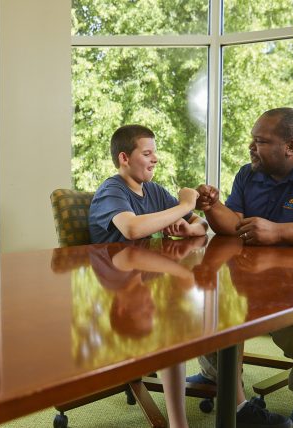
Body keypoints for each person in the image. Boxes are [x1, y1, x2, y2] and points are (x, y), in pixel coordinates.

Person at [89, 124, 208, 428]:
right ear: (124, 158)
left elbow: (199, 226)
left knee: (195, 316)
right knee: (171, 336)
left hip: (146, 271)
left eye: (155, 152)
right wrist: (183, 205)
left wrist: (188, 226)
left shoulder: (153, 190)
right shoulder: (111, 190)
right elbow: (132, 228)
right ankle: (178, 424)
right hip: (109, 283)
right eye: (147, 152)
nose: (155, 158)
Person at [191, 107, 293, 428]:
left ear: (291, 147)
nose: (251, 146)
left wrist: (278, 231)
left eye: (261, 141)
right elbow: (233, 223)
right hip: (248, 281)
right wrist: (212, 207)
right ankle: (237, 404)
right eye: (252, 139)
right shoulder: (247, 174)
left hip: (290, 290)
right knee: (212, 305)